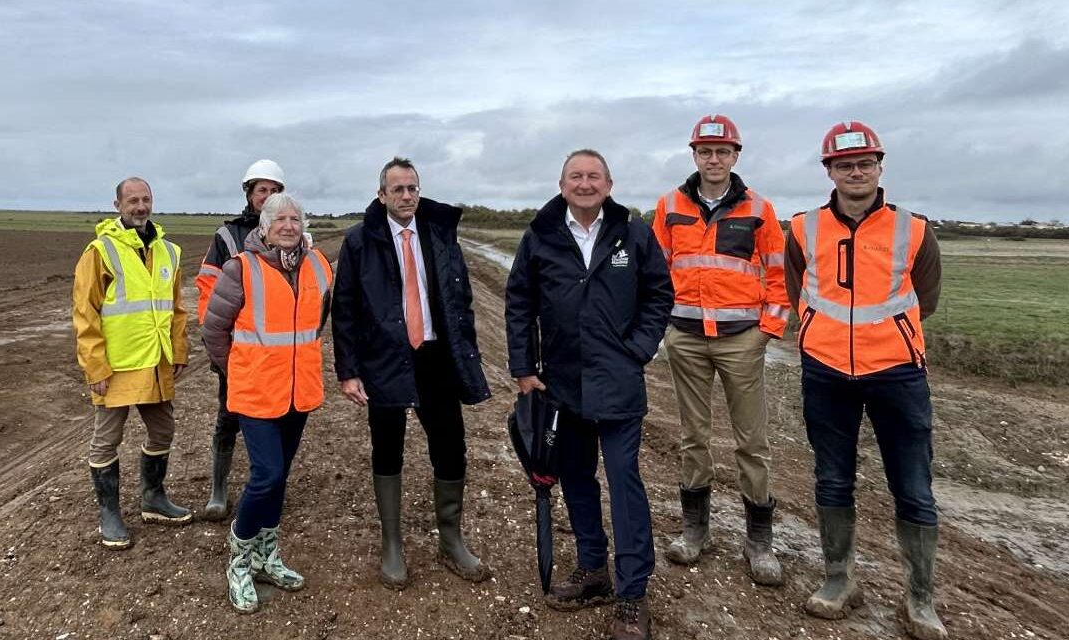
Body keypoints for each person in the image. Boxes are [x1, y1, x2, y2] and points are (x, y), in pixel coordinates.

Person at [787, 121, 946, 639]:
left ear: (879, 168)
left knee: (913, 487)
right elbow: (798, 291)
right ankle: (840, 581)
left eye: (865, 163)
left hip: (897, 372)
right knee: (833, 479)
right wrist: (820, 334)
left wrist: (888, 337)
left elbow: (926, 299)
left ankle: (919, 600)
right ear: (828, 171)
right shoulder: (803, 228)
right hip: (826, 371)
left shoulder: (914, 229)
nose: (856, 172)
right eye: (844, 164)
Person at [506, 149, 672, 640]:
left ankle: (633, 592)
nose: (584, 183)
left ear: (609, 183)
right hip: (562, 385)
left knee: (624, 482)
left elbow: (660, 293)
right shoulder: (539, 235)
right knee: (576, 478)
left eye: (593, 176)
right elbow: (518, 301)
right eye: (575, 176)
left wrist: (639, 347)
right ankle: (594, 568)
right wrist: (523, 368)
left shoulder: (634, 232)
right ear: (561, 185)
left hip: (618, 382)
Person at [331, 157, 492, 590]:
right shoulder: (361, 241)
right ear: (382, 195)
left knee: (450, 446)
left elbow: (462, 298)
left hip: (435, 357)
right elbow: (343, 309)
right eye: (398, 189)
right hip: (384, 359)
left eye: (413, 189)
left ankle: (451, 538)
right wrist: (349, 371)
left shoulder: (439, 234)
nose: (407, 196)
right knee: (388, 449)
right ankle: (392, 544)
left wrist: (467, 351)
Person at [651, 114, 789, 585]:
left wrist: (766, 332)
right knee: (694, 436)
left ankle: (759, 542)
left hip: (740, 342)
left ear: (735, 156)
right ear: (694, 155)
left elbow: (778, 273)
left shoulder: (760, 210)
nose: (713, 159)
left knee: (752, 441)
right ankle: (696, 531)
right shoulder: (669, 205)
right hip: (686, 338)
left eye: (722, 151)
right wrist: (664, 327)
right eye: (705, 151)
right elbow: (655, 271)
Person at [201, 193, 332, 613]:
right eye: (280, 218)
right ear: (263, 225)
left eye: (295, 218)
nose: (289, 225)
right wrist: (237, 370)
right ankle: (239, 557)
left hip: (298, 392)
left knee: (280, 476)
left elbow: (320, 319)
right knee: (266, 474)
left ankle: (266, 555)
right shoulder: (241, 268)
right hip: (256, 393)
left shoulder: (319, 264)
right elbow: (213, 331)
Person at [73, 177, 192, 550]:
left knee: (163, 432)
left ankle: (153, 498)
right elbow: (85, 313)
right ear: (118, 204)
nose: (140, 206)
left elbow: (176, 309)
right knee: (106, 441)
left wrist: (179, 350)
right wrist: (95, 368)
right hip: (117, 367)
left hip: (156, 361)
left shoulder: (169, 251)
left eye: (146, 199)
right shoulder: (101, 251)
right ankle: (109, 513)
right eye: (132, 200)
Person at [195, 159, 286, 521]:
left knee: (274, 417)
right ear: (249, 193)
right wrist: (220, 350)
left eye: (274, 190)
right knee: (229, 414)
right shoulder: (228, 236)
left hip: (277, 349)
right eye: (261, 189)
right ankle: (219, 490)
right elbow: (207, 290)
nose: (268, 196)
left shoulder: (291, 232)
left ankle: (266, 484)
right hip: (238, 348)